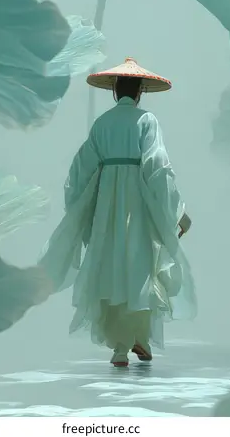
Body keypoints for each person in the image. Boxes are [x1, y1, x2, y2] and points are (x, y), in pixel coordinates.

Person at [39, 57, 196, 367]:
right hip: (138, 203)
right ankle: (140, 338)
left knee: (109, 268)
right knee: (139, 266)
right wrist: (176, 211)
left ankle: (120, 348)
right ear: (139, 92)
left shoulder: (102, 124)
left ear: (115, 91)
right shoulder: (147, 120)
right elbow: (158, 168)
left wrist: (84, 209)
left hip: (107, 208)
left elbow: (80, 172)